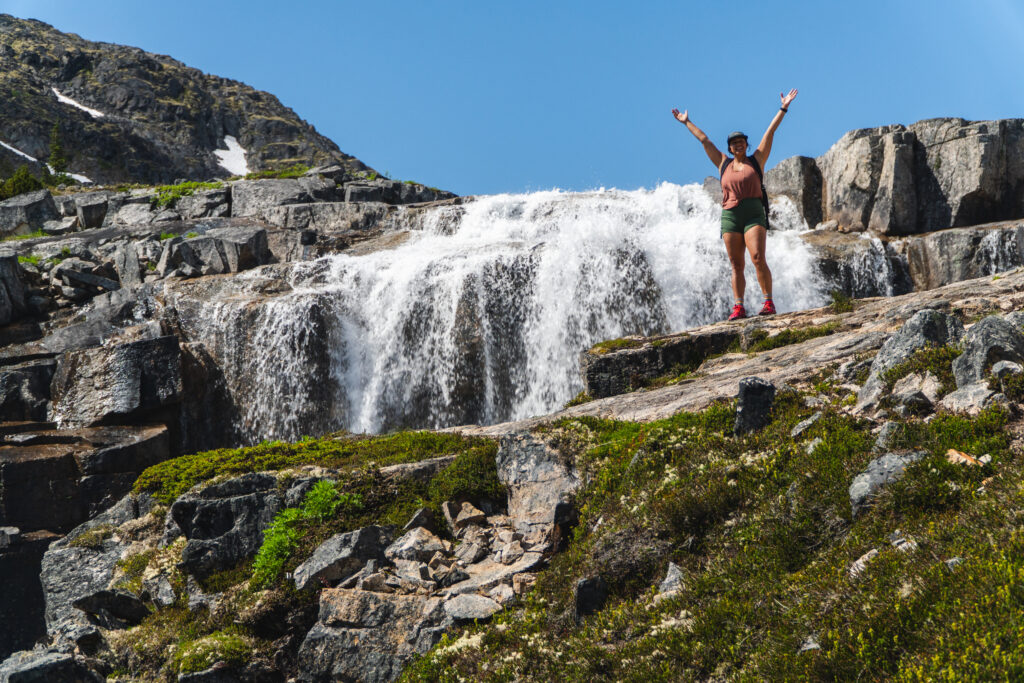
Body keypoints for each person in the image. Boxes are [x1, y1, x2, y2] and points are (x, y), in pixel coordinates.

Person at [672, 89, 798, 320]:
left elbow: (770, 131)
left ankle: (768, 302)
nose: (738, 145)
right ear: (729, 148)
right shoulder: (722, 163)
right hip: (730, 215)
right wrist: (686, 122)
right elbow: (704, 140)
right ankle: (738, 307)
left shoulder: (756, 159)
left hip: (753, 213)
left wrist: (784, 107)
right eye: (733, 143)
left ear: (746, 145)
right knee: (736, 264)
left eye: (741, 142)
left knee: (758, 257)